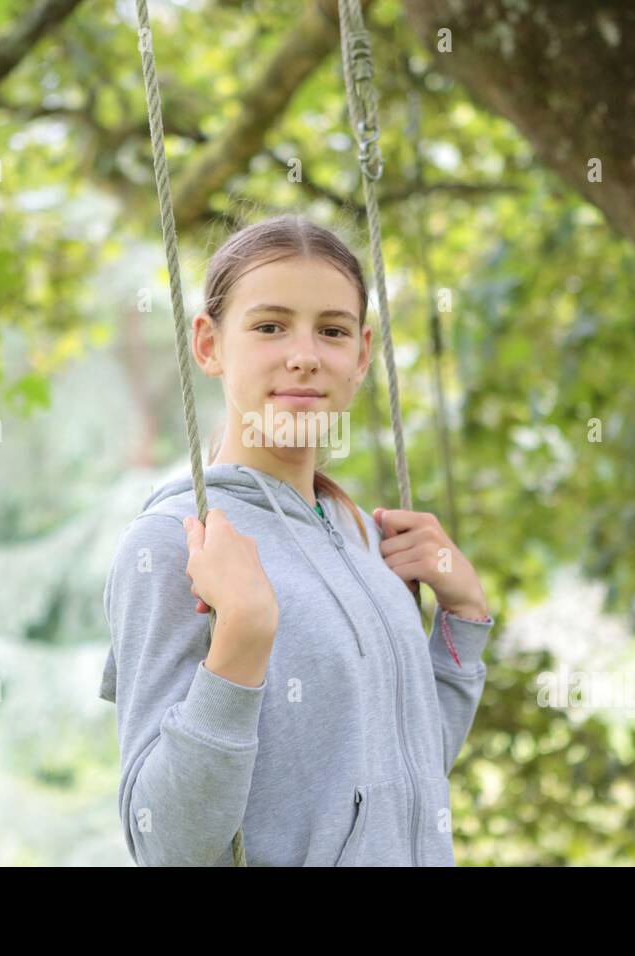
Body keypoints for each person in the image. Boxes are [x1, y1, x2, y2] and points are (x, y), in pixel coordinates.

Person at [99, 213, 494, 866]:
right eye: (269, 326)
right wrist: (243, 640)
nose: (305, 354)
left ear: (362, 354)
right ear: (208, 344)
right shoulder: (174, 545)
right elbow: (165, 844)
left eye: (331, 331)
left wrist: (465, 621)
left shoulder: (362, 535)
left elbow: (406, 782)